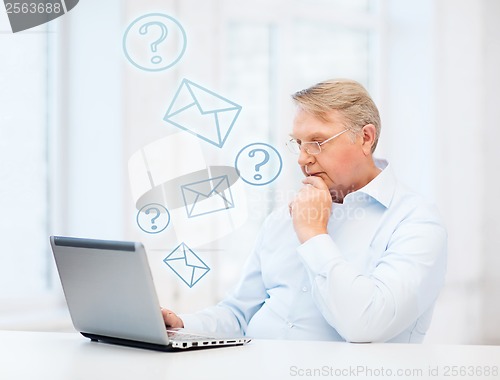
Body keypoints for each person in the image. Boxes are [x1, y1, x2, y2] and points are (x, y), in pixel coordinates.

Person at [162, 79, 447, 343]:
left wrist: (313, 234)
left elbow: (365, 325)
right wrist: (180, 324)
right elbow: (239, 314)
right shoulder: (284, 217)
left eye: (317, 142)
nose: (302, 158)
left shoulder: (415, 222)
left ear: (365, 138)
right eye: (298, 143)